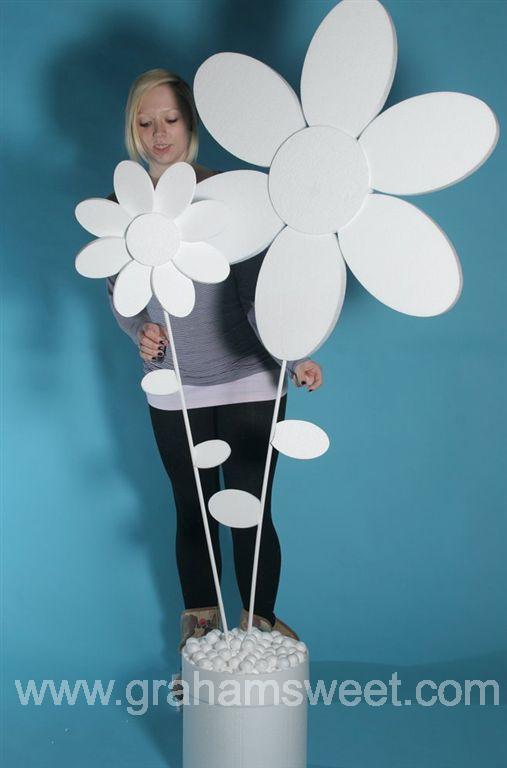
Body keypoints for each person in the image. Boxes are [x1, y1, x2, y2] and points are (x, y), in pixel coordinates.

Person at [106, 68, 323, 650]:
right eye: (146, 122)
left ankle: (260, 630)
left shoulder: (228, 194)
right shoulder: (121, 206)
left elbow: (259, 288)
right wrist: (140, 331)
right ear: (134, 128)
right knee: (192, 510)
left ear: (190, 124)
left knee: (250, 509)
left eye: (170, 120)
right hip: (176, 386)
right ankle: (202, 640)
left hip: (252, 378)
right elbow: (119, 290)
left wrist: (294, 351)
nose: (159, 134)